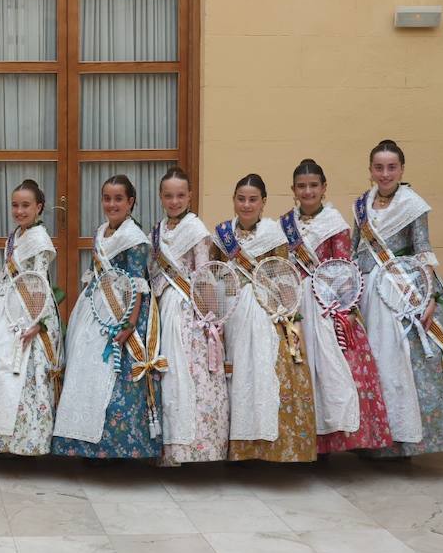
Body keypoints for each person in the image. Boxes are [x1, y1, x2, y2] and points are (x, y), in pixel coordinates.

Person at [354, 140, 443, 456]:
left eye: (392, 167)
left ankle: (407, 441)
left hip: (405, 291)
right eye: (379, 167)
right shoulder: (361, 205)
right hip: (368, 294)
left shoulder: (413, 204)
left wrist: (428, 297)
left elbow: (423, 250)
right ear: (371, 171)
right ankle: (371, 440)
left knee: (409, 364)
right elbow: (355, 250)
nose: (385, 173)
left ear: (402, 169)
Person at [52, 174, 164, 461]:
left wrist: (128, 325)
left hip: (125, 310)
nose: (111, 204)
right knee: (84, 370)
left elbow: (139, 284)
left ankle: (119, 449)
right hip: (96, 308)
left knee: (117, 379)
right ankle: (82, 444)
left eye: (118, 199)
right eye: (107, 198)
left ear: (131, 202)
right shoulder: (102, 231)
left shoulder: (135, 239)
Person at [283, 159, 392, 453]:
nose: (308, 192)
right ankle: (305, 439)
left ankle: (332, 441)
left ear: (324, 188)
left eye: (313, 186)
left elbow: (343, 268)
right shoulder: (284, 225)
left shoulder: (335, 225)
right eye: (302, 186)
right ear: (293, 190)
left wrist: (337, 310)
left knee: (333, 368)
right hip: (295, 306)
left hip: (325, 304)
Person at [214, 173, 318, 463]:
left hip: (267, 312)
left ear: (263, 203)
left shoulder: (275, 235)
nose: (246, 205)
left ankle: (268, 447)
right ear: (234, 200)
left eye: (253, 200)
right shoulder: (222, 235)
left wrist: (290, 321)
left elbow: (285, 278)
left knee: (266, 372)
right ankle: (236, 448)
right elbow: (215, 277)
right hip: (232, 313)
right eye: (241, 199)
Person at [0, 179, 64, 456]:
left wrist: (38, 321)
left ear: (39, 207)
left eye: (25, 205)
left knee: (23, 371)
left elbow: (40, 281)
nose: (19, 211)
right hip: (5, 303)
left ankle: (26, 441)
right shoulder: (14, 236)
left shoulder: (40, 240)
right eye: (15, 205)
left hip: (30, 308)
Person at [150, 167, 230, 466]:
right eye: (168, 196)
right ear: (160, 196)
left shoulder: (196, 230)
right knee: (166, 375)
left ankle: (193, 447)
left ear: (190, 196)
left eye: (180, 195)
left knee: (189, 374)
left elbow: (204, 276)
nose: (174, 201)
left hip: (187, 312)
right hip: (162, 307)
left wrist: (211, 320)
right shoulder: (157, 231)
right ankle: (167, 448)